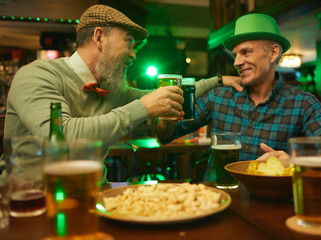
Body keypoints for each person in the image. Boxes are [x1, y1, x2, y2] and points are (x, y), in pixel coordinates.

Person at [0, 4, 242, 184]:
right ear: (98, 37)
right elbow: (63, 140)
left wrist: (218, 80)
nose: (133, 55)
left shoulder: (113, 90)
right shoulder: (37, 75)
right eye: (128, 43)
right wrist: (143, 108)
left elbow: (168, 94)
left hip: (94, 196)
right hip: (31, 203)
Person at [155, 13, 321, 180]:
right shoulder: (219, 97)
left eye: (246, 52)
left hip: (269, 209)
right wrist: (166, 115)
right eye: (235, 54)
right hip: (216, 202)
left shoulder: (302, 103)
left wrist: (295, 163)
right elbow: (166, 135)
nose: (236, 62)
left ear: (273, 53)